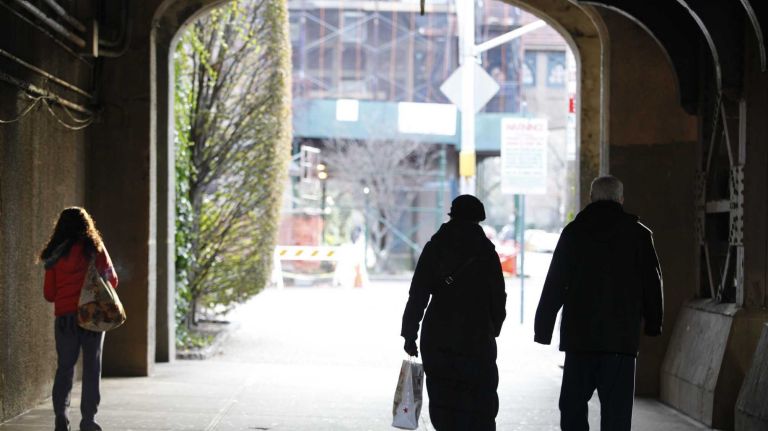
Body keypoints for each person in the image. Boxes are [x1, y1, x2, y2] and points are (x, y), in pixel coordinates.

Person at [534, 175, 664, 431]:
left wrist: (544, 329)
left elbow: (555, 283)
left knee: (572, 409)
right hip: (621, 342)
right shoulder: (639, 235)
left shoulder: (574, 233)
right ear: (621, 199)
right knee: (616, 415)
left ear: (591, 198)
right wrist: (653, 323)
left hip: (579, 340)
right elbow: (652, 282)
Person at [401, 195, 507, 430]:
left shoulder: (435, 246)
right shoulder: (487, 252)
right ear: (479, 218)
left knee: (443, 401)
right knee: (480, 401)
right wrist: (493, 328)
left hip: (439, 337)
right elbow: (498, 296)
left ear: (452, 215)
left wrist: (409, 334)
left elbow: (417, 295)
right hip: (477, 338)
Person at [40, 207, 118, 431]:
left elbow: (49, 294)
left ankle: (61, 416)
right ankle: (88, 419)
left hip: (65, 317)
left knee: (64, 367)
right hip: (91, 315)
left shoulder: (55, 253)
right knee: (92, 367)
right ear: (87, 226)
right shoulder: (95, 249)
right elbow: (112, 280)